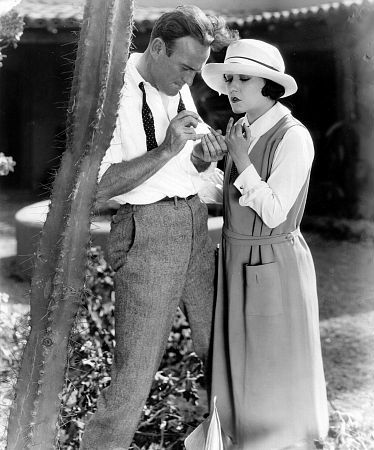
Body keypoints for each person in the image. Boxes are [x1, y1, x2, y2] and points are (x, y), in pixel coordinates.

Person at [80, 6, 236, 450]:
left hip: (194, 224)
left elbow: (190, 171)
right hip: (147, 233)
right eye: (185, 68)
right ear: (156, 47)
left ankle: (225, 443)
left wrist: (203, 157)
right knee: (133, 378)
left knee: (221, 354)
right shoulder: (112, 96)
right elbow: (99, 188)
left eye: (197, 70)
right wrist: (169, 147)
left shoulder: (180, 87)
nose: (190, 81)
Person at [195, 39, 330, 449]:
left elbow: (272, 211)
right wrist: (207, 162)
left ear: (269, 84)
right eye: (229, 79)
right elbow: (232, 199)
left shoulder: (294, 137)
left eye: (243, 79)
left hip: (271, 261)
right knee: (242, 367)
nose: (231, 87)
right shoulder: (242, 128)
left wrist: (242, 157)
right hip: (237, 257)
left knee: (271, 369)